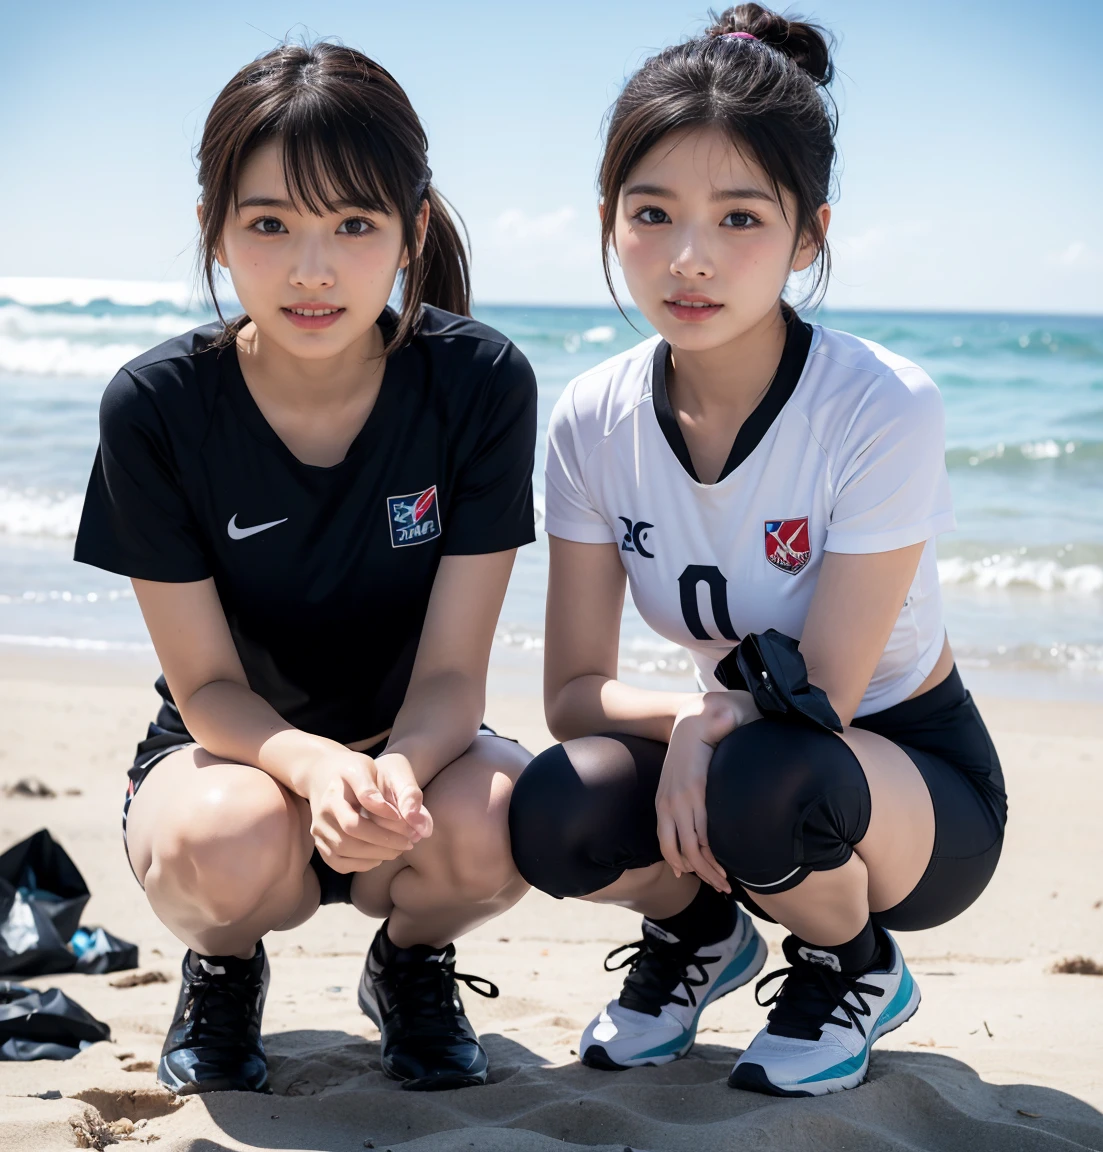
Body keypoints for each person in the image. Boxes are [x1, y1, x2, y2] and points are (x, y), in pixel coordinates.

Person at [508, 4, 1007, 1098]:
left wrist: (714, 728)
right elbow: (575, 694)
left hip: (912, 785)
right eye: (653, 214)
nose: (689, 259)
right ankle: (699, 939)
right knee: (554, 806)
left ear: (809, 233)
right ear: (608, 220)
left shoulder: (880, 405)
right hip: (737, 756)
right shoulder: (591, 419)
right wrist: (688, 721)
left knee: (765, 775)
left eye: (740, 218)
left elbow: (822, 690)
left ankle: (855, 965)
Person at [74, 42, 537, 1095]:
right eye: (271, 224)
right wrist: (317, 768)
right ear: (216, 230)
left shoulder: (481, 383)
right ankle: (224, 970)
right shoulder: (156, 408)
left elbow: (456, 677)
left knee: (510, 815)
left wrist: (395, 775)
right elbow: (204, 689)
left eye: (355, 226)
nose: (313, 269)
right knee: (218, 841)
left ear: (412, 231)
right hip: (235, 755)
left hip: (419, 749)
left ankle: (412, 964)